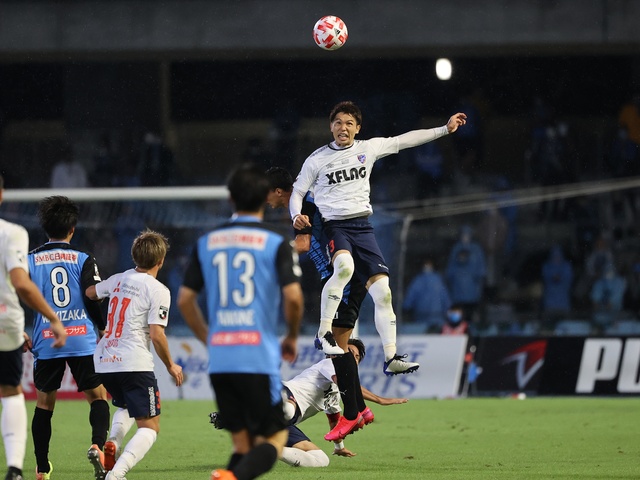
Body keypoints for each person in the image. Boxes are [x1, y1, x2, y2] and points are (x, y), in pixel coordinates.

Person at [289, 100, 467, 376]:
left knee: (383, 292)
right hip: (336, 227)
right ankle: (323, 332)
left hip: (363, 228)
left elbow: (405, 140)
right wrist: (296, 216)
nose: (343, 127)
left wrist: (444, 129)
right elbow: (297, 192)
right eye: (338, 123)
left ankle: (391, 357)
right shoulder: (317, 159)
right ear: (331, 127)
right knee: (344, 268)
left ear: (358, 128)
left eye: (349, 123)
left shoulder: (368, 148)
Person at [177, 163, 304, 480]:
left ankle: (229, 475)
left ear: (230, 199)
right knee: (275, 438)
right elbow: (293, 298)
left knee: (242, 446)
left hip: (221, 359)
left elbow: (185, 300)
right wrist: (291, 335)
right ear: (264, 198)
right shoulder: (275, 242)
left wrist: (208, 338)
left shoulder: (206, 242)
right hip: (257, 357)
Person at [266, 166, 373, 441]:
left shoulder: (302, 206)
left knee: (335, 347)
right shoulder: (308, 201)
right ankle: (360, 410)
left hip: (341, 278)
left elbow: (302, 245)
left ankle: (355, 412)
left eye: (266, 194)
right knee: (337, 346)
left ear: (277, 191)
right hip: (340, 277)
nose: (265, 200)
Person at [209, 338, 408, 468]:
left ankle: (267, 447)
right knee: (287, 410)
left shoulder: (338, 394)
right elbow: (343, 380)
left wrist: (339, 446)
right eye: (349, 353)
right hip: (284, 395)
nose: (352, 359)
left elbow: (335, 420)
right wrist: (379, 400)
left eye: (356, 357)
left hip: (285, 421)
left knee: (321, 460)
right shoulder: (330, 363)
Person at [86, 229, 184, 480]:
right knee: (150, 427)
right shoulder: (158, 290)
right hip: (133, 362)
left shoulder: (118, 279)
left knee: (127, 405)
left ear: (134, 256)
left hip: (104, 360)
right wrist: (171, 365)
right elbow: (157, 334)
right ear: (161, 261)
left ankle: (113, 442)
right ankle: (116, 474)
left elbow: (90, 293)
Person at [27, 196, 110, 480]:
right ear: (72, 229)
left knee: (44, 404)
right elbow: (92, 297)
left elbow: (20, 295)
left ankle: (42, 467)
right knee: (98, 396)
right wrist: (102, 327)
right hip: (81, 338)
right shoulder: (83, 258)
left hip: (47, 339)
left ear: (45, 228)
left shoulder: (30, 260)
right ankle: (97, 446)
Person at [0, 175, 67, 480]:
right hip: (4, 321)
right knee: (10, 390)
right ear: (2, 195)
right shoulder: (11, 233)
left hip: (8, 324)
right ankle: (15, 469)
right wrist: (53, 318)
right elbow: (20, 283)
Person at [445, 225, 487, 326]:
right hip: (458, 292)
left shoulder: (476, 249)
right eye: (463, 235)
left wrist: (479, 288)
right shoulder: (456, 249)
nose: (465, 237)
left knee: (470, 315)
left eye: (467, 235)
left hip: (471, 292)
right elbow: (450, 271)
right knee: (458, 317)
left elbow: (481, 271)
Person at [402, 257, 451, 332]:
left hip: (424, 315)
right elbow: (445, 296)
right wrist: (448, 308)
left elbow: (411, 296)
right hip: (433, 315)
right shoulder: (437, 279)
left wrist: (406, 307)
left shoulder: (419, 280)